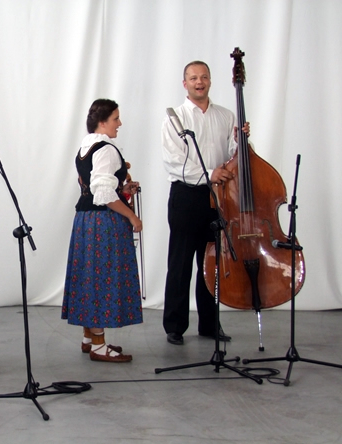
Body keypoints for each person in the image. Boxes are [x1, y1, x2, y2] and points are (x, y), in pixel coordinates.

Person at [161, 61, 249, 345]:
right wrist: (210, 173)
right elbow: (174, 162)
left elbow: (235, 156)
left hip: (217, 197)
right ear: (184, 83)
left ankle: (210, 324)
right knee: (180, 264)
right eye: (193, 78)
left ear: (210, 81)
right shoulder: (175, 118)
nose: (199, 82)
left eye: (204, 77)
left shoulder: (225, 115)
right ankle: (175, 326)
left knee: (212, 263)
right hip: (186, 196)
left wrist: (242, 141)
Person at [61, 98, 143, 362]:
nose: (120, 123)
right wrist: (132, 216)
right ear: (102, 122)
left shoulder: (85, 147)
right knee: (101, 278)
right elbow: (104, 194)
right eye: (116, 119)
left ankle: (89, 338)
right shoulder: (106, 149)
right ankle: (98, 346)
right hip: (103, 224)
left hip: (85, 220)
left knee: (89, 276)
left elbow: (94, 187)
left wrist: (123, 189)